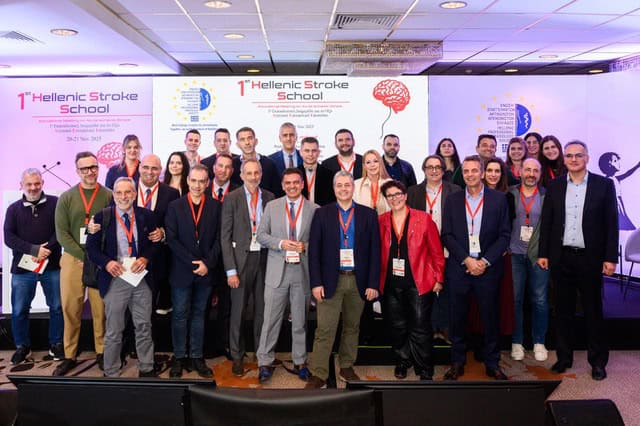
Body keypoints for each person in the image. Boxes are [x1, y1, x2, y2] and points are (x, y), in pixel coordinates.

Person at [538, 140, 618, 381]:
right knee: (563, 312)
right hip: (561, 257)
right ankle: (564, 358)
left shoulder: (604, 185)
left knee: (593, 311)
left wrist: (610, 257)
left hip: (590, 258)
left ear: (587, 158)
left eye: (578, 155)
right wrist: (543, 253)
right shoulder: (554, 185)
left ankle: (598, 362)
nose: (573, 159)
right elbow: (547, 222)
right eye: (569, 155)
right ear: (564, 159)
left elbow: (611, 223)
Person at [305, 171, 381, 389]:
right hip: (331, 280)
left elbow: (375, 252)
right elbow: (314, 252)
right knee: (325, 329)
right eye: (339, 185)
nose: (343, 189)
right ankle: (319, 373)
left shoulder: (368, 214)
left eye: (347, 185)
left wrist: (373, 283)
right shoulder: (322, 213)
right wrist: (316, 283)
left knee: (352, 327)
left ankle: (347, 365)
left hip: (358, 280)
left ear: (353, 187)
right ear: (334, 188)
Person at [441, 155, 511, 381]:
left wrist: (484, 261)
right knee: (457, 317)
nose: (470, 175)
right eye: (466, 171)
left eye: (474, 171)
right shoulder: (452, 200)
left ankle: (492, 363)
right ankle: (457, 362)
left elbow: (504, 235)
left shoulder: (499, 199)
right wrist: (467, 260)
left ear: (482, 173)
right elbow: (447, 235)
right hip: (460, 267)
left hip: (488, 268)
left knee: (490, 317)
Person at [86, 177, 158, 377]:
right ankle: (111, 370)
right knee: (114, 328)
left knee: (144, 326)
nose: (123, 197)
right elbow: (91, 249)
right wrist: (107, 263)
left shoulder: (147, 216)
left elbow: (155, 243)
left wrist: (145, 258)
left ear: (134, 194)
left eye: (127, 192)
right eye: (119, 192)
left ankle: (147, 367)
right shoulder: (102, 217)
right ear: (114, 195)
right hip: (115, 277)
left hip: (140, 277)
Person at [255, 168, 319, 383]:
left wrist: (305, 246)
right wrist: (281, 243)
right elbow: (261, 235)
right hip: (276, 272)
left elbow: (319, 241)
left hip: (301, 272)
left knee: (300, 321)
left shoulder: (314, 209)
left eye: (296, 182)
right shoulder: (272, 206)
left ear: (302, 184)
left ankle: (300, 361)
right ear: (283, 185)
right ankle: (264, 362)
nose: (292, 186)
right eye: (288, 183)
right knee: (270, 320)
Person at [378, 180, 444, 380]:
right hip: (390, 284)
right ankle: (402, 361)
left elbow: (436, 251)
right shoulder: (381, 221)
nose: (394, 198)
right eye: (390, 195)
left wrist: (439, 278)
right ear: (386, 199)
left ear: (405, 196)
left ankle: (424, 368)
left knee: (420, 328)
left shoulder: (423, 219)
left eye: (398, 194)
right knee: (397, 327)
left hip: (418, 282)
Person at [53, 151, 112, 376]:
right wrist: (81, 255)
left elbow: (113, 227)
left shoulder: (108, 195)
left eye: (93, 167)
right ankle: (69, 355)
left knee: (101, 309)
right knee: (70, 308)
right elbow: (61, 233)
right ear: (77, 171)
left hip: (99, 260)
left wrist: (95, 257)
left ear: (98, 168)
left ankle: (102, 352)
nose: (90, 172)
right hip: (72, 258)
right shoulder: (66, 198)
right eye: (84, 168)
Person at [165, 164, 222, 378]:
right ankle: (179, 357)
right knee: (180, 315)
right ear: (187, 181)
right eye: (194, 180)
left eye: (202, 181)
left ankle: (197, 356)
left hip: (206, 272)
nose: (197, 185)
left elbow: (220, 239)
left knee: (199, 315)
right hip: (182, 272)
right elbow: (172, 239)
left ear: (207, 183)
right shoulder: (175, 206)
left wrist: (207, 263)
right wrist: (193, 263)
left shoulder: (216, 206)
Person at [221, 159, 275, 376]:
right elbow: (225, 237)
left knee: (263, 311)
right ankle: (237, 356)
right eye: (249, 173)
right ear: (241, 175)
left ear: (261, 174)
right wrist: (230, 270)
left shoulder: (270, 197)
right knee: (238, 312)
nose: (253, 177)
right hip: (240, 262)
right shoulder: (232, 198)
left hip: (264, 259)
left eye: (256, 173)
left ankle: (262, 355)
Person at [4, 168, 63, 364]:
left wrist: (46, 250)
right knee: (19, 309)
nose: (33, 187)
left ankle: (56, 344)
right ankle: (23, 346)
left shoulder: (56, 203)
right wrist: (33, 250)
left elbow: (61, 230)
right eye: (29, 184)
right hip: (23, 268)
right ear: (21, 185)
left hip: (52, 265)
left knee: (57, 307)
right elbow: (9, 237)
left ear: (42, 183)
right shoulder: (13, 209)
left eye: (37, 183)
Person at [407, 155, 461, 341]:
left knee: (446, 289)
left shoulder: (455, 191)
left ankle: (444, 327)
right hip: (422, 249)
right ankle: (429, 328)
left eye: (438, 167)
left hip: (448, 247)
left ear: (443, 170)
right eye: (430, 167)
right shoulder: (413, 192)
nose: (434, 170)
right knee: (426, 290)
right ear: (424, 170)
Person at [507, 158, 550, 362]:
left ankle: (539, 341)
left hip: (538, 256)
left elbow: (551, 227)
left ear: (540, 174)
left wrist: (546, 253)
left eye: (535, 170)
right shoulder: (510, 194)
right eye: (528, 170)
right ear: (520, 172)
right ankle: (517, 341)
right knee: (515, 300)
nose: (531, 174)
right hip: (514, 254)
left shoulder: (546, 195)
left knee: (539, 300)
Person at [137, 154, 180, 314]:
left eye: (154, 168)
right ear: (139, 168)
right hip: (131, 257)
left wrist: (163, 232)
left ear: (161, 170)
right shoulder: (126, 188)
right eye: (146, 167)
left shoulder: (172, 193)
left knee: (152, 304)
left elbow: (175, 223)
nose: (150, 172)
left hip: (158, 259)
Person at [452, 134, 518, 188]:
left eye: (492, 146)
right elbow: (453, 186)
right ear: (477, 148)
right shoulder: (466, 165)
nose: (488, 148)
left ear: (495, 150)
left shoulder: (502, 166)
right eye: (485, 145)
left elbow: (516, 184)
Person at [231, 126, 281, 196]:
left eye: (250, 138)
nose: (247, 142)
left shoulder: (269, 164)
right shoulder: (232, 164)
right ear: (237, 145)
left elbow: (277, 192)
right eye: (242, 139)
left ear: (256, 141)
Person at [598, 152, 640, 230]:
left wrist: (637, 165)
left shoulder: (616, 179)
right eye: (615, 161)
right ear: (609, 165)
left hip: (619, 205)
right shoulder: (607, 180)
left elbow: (628, 173)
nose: (618, 163)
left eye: (617, 160)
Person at [298, 136, 335, 206]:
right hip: (300, 211)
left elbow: (331, 200)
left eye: (314, 151)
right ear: (300, 152)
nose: (310, 154)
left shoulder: (329, 174)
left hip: (322, 211)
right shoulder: (294, 173)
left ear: (318, 152)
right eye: (307, 151)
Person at [353, 149, 392, 215]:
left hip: (385, 220)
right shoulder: (356, 185)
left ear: (380, 163)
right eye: (368, 162)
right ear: (364, 166)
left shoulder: (390, 183)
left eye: (375, 161)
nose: (372, 165)